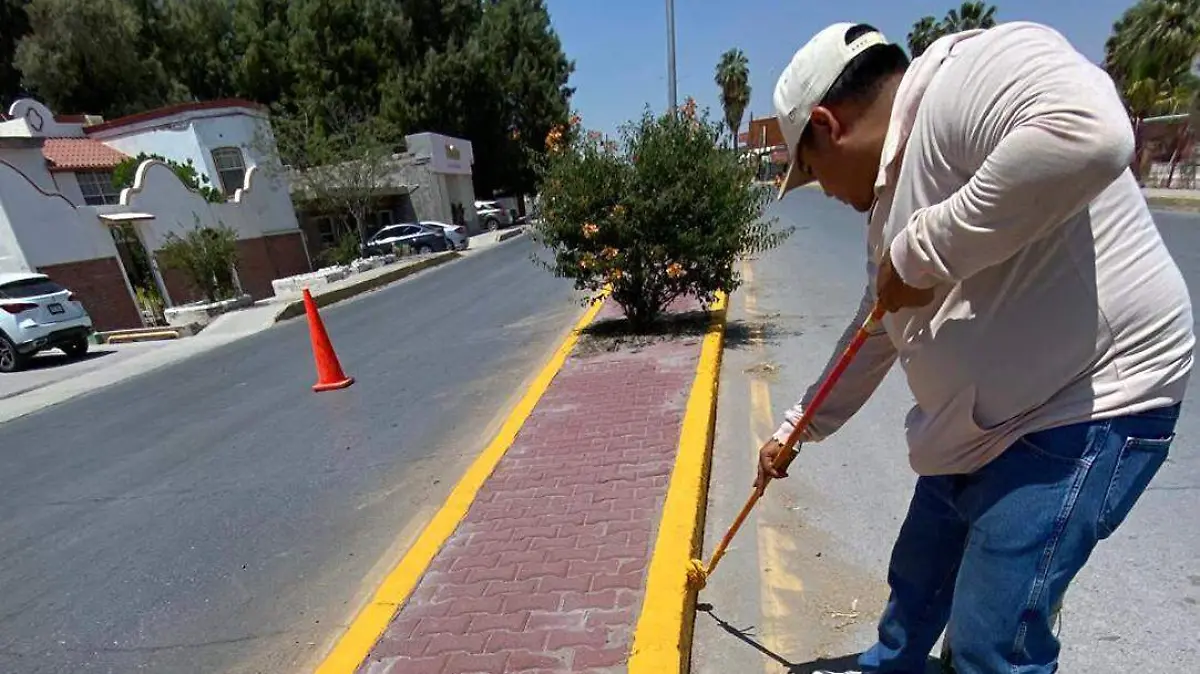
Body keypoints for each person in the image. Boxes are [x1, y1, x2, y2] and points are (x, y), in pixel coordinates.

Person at [759, 20, 1194, 674]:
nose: (825, 191)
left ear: (826, 124)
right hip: (974, 427)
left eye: (813, 170)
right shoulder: (888, 205)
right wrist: (800, 425)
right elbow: (874, 326)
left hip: (1085, 404)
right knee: (914, 594)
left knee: (992, 644)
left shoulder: (967, 76)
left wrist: (924, 250)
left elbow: (1094, 135)